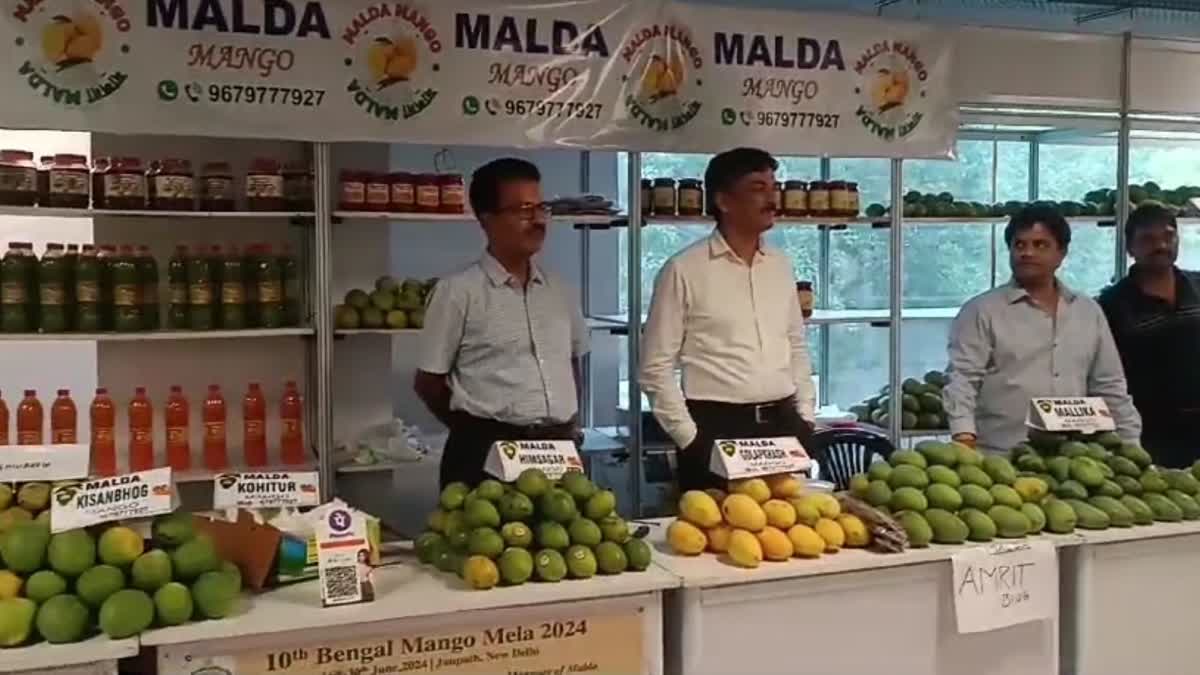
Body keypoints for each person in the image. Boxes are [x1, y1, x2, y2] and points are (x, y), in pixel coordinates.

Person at [639, 147, 816, 491]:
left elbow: (796, 344)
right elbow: (654, 368)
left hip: (783, 424)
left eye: (773, 185)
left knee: (788, 534)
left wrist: (806, 418)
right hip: (717, 428)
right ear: (723, 201)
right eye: (757, 188)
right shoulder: (684, 269)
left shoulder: (780, 265)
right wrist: (691, 440)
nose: (771, 197)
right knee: (721, 538)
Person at [414, 158, 588, 488]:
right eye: (523, 210)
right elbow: (428, 383)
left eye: (541, 208)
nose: (537, 220)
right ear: (486, 220)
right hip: (485, 455)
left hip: (558, 453)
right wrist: (476, 431)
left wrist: (571, 425)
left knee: (567, 538)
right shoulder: (457, 292)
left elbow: (572, 362)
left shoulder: (560, 290)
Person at [944, 205, 1141, 453]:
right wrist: (963, 440)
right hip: (999, 457)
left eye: (1040, 245)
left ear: (1062, 253)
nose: (1027, 253)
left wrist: (1131, 446)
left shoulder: (1087, 311)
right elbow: (962, 380)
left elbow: (1109, 385)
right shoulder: (981, 311)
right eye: (1019, 245)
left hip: (1074, 459)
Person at [1098, 203, 1200, 468]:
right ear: (1130, 248)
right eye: (1148, 239)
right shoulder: (1112, 305)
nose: (1161, 245)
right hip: (1151, 435)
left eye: (1168, 236)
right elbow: (1107, 376)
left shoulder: (1198, 287)